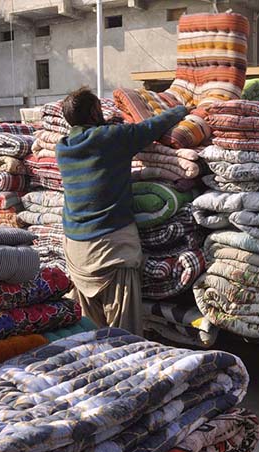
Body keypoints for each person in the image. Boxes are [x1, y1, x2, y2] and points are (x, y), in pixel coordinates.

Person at [56, 86, 188, 335]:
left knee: (88, 333)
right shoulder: (110, 139)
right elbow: (150, 128)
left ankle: (89, 370)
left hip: (75, 250)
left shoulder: (63, 148)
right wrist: (182, 110)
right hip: (110, 248)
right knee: (123, 334)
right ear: (95, 112)